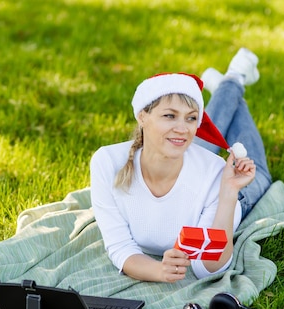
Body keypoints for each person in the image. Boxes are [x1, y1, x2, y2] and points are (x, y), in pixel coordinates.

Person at [90, 48, 272, 283]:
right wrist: (158, 271)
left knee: (261, 175)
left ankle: (233, 81)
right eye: (169, 116)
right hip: (184, 158)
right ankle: (231, 85)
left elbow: (210, 267)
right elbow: (120, 246)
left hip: (226, 187)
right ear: (142, 116)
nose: (182, 128)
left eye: (192, 118)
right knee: (186, 143)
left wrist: (228, 192)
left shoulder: (217, 174)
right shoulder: (107, 162)